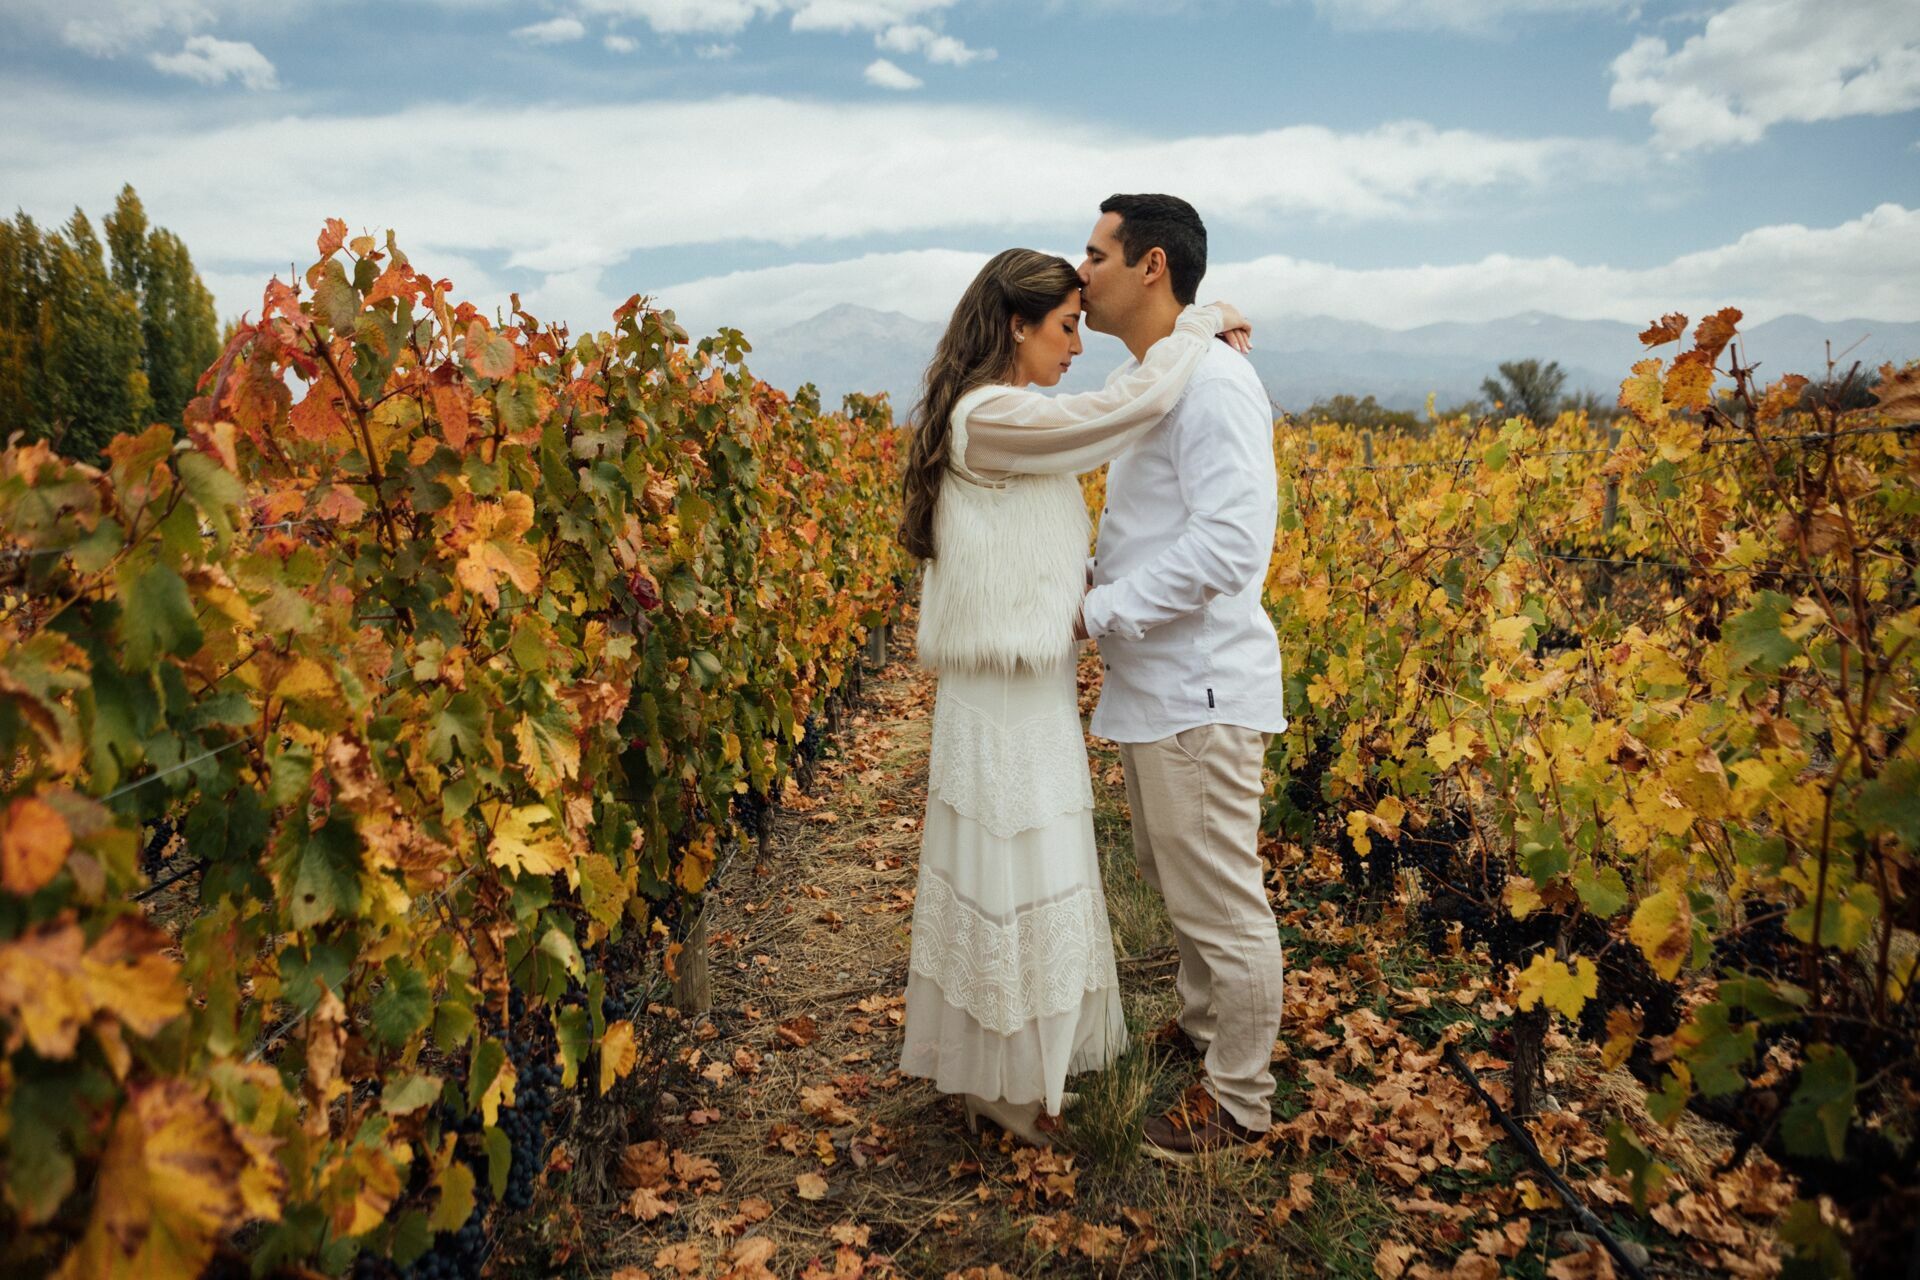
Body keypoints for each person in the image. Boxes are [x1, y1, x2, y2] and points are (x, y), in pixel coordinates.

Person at [896, 246, 1250, 1144]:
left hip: (1024, 680)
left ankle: (1016, 1071)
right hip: (1003, 693)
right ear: (1017, 324)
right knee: (1013, 869)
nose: (1077, 346)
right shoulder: (994, 414)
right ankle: (1008, 1089)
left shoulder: (998, 417)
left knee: (1030, 865)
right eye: (1064, 327)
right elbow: (1121, 412)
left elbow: (1032, 542)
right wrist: (1196, 331)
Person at [1074, 193, 1288, 1162]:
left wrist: (1101, 611)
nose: (1081, 272)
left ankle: (1240, 1101)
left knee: (1219, 895)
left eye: (1094, 252)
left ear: (1150, 265)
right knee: (1178, 874)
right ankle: (1207, 1031)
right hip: (1163, 689)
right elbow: (1159, 528)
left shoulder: (1211, 382)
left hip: (1198, 686)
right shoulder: (1167, 371)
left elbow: (1232, 541)